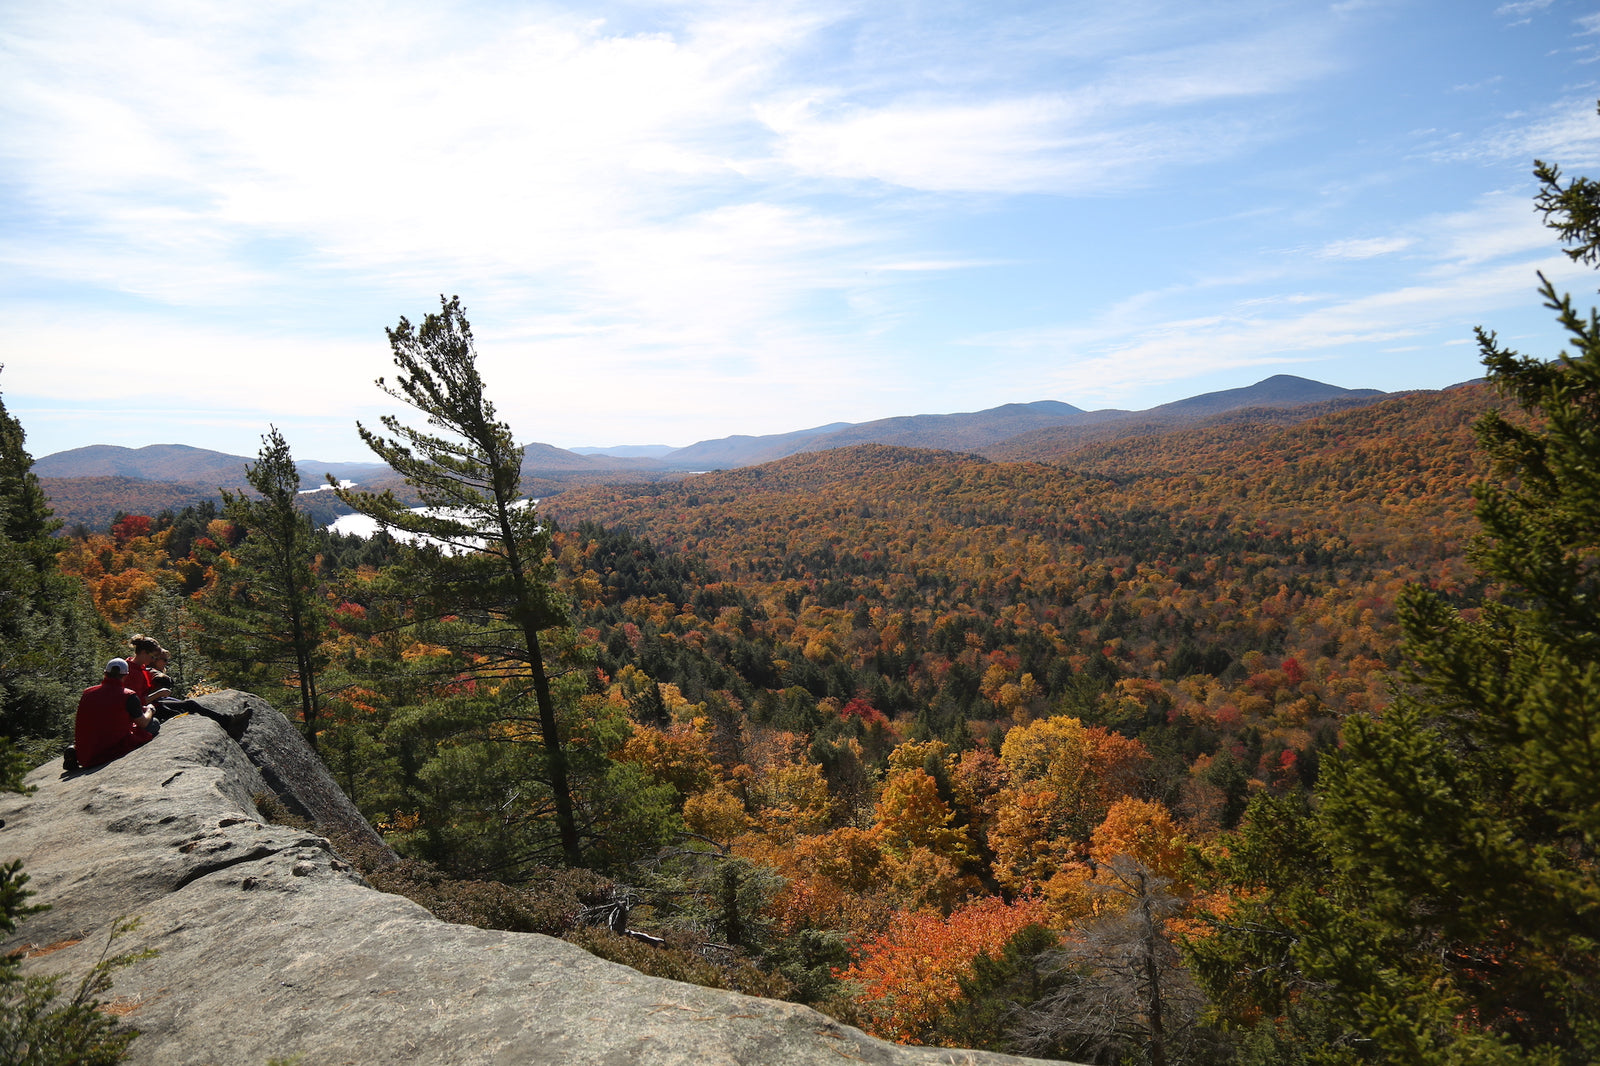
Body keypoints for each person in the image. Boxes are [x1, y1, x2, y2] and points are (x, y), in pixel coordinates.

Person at [73, 658, 156, 769]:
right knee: (154, 723)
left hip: (87, 750)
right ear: (126, 675)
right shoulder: (128, 695)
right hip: (112, 747)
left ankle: (74, 748)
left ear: (105, 673)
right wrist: (150, 710)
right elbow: (143, 723)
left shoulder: (87, 692)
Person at [125, 634, 171, 707]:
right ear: (143, 652)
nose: (153, 660)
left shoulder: (139, 667)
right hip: (145, 709)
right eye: (152, 657)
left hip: (151, 704)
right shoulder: (132, 672)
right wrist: (159, 693)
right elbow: (137, 703)